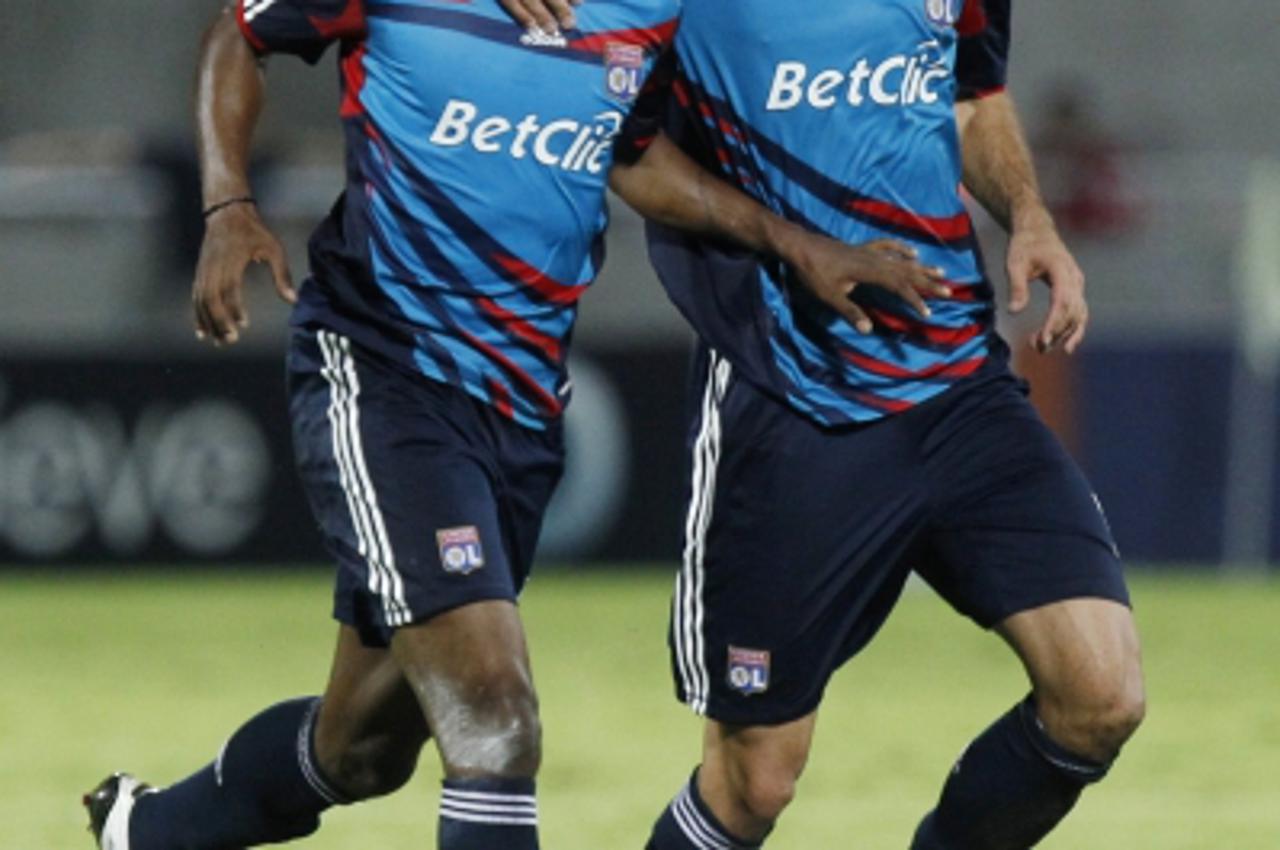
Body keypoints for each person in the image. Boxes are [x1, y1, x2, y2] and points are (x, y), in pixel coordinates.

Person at [82, 2, 948, 849]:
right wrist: (228, 205)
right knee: (497, 721)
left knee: (364, 750)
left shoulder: (647, 13)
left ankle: (144, 831)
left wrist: (796, 243)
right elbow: (237, 34)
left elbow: (634, 154)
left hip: (521, 414)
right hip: (386, 371)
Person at [628, 2, 1147, 848]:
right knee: (754, 782)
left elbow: (974, 96)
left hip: (960, 384)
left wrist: (1030, 216)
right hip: (794, 394)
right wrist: (794, 244)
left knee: (1101, 696)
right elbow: (629, 153)